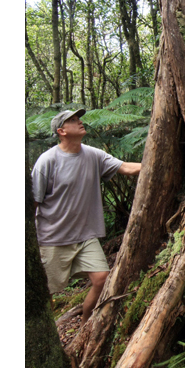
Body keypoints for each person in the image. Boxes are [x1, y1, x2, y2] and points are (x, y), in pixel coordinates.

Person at [31, 109, 142, 326]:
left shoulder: (94, 154)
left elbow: (126, 168)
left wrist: (156, 162)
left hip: (85, 236)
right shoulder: (47, 161)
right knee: (47, 293)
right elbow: (34, 201)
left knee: (101, 279)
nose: (80, 122)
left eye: (78, 118)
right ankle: (50, 336)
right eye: (72, 120)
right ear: (61, 131)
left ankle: (85, 324)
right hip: (53, 237)